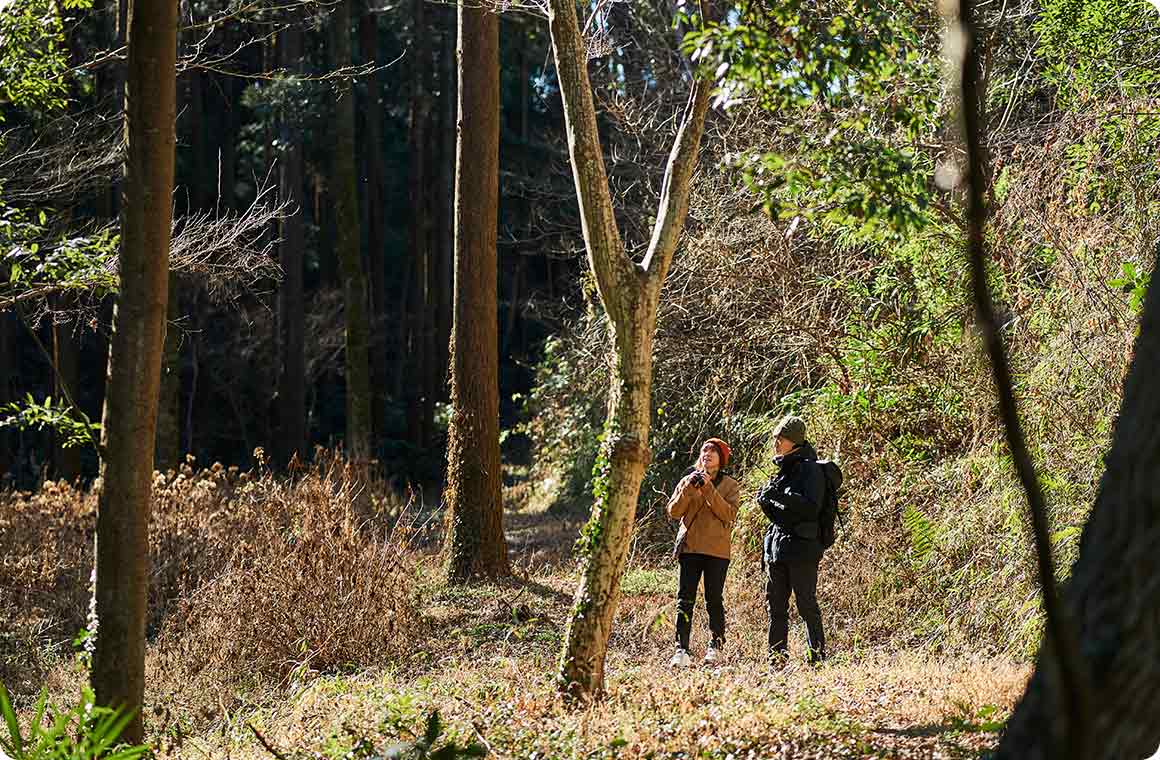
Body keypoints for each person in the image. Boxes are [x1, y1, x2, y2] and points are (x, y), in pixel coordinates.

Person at [756, 415, 826, 666]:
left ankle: (816, 658)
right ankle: (776, 660)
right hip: (778, 549)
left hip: (802, 549)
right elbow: (780, 517)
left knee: (806, 605)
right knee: (775, 606)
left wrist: (778, 496)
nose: (776, 443)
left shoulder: (811, 469)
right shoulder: (783, 470)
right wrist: (766, 501)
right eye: (776, 438)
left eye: (781, 439)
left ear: (794, 441)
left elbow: (810, 508)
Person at [665, 437, 741, 667]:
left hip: (717, 551)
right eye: (704, 450)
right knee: (684, 600)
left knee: (714, 599)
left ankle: (716, 647)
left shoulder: (730, 485)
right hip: (690, 549)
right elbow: (674, 512)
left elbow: (729, 514)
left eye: (712, 451)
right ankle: (681, 649)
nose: (707, 454)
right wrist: (688, 489)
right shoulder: (687, 480)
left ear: (721, 459)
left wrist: (708, 489)